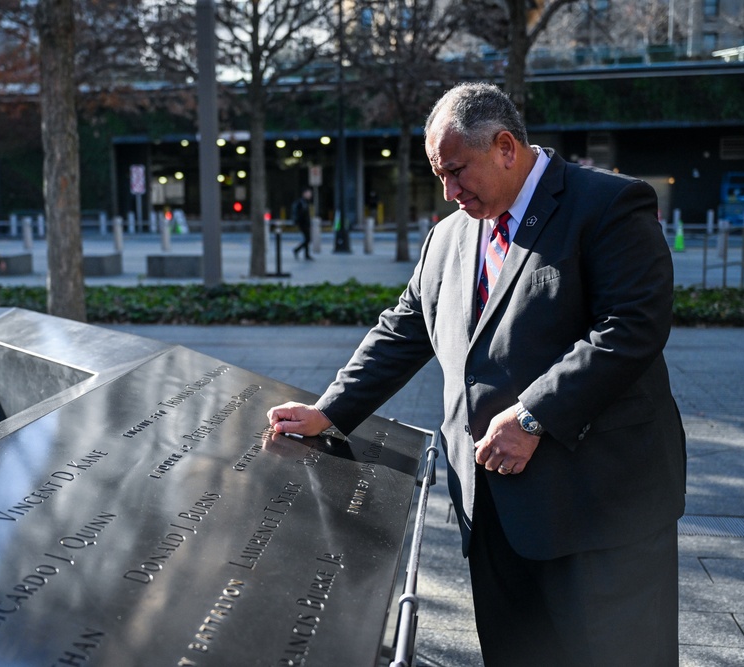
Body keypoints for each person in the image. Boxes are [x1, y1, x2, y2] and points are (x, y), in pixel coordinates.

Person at [268, 82, 686, 666]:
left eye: (458, 171)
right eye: (440, 175)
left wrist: (534, 415)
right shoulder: (447, 236)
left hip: (600, 512)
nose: (449, 190)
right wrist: (329, 410)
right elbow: (402, 331)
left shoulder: (610, 204)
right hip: (494, 511)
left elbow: (634, 327)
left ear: (506, 148)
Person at [290, 187, 313, 260]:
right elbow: (300, 214)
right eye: (308, 193)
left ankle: (306, 254)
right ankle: (297, 250)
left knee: (307, 239)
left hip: (305, 223)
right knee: (308, 239)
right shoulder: (301, 202)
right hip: (303, 223)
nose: (310, 195)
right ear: (304, 194)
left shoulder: (305, 202)